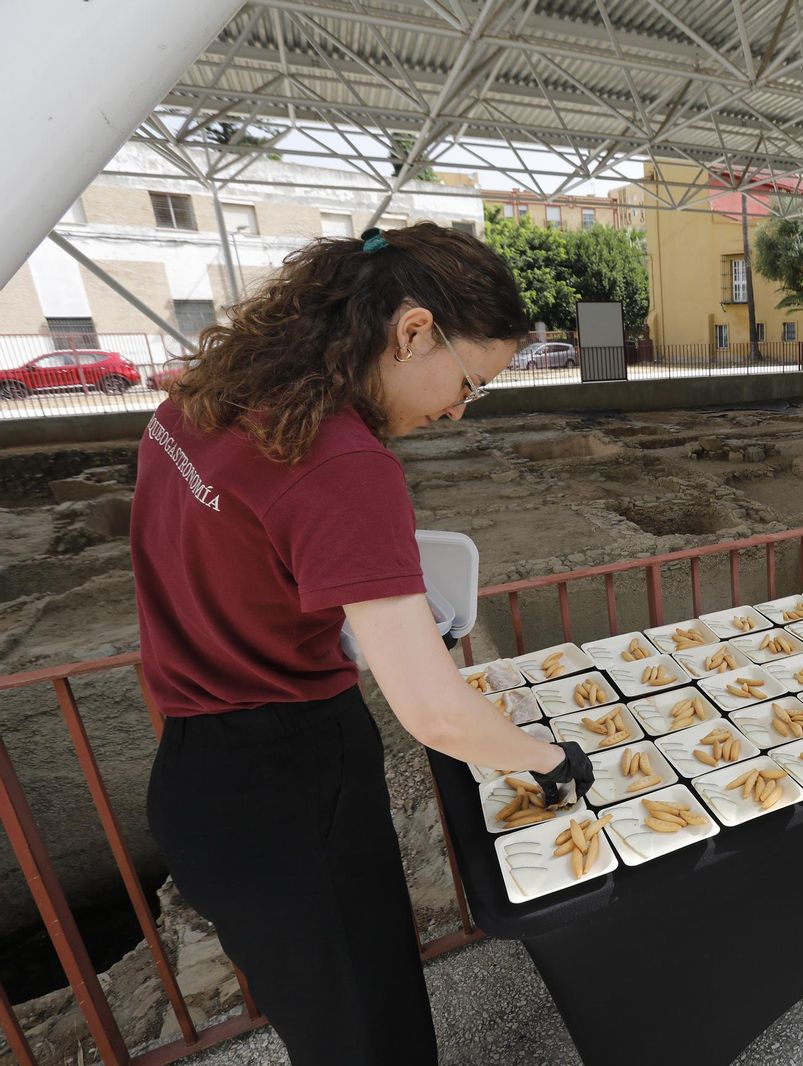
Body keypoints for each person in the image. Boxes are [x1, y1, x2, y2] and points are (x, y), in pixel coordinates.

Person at [132, 223, 594, 1066]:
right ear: (413, 331)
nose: (458, 410)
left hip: (195, 779)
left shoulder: (201, 400)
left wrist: (353, 611)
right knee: (373, 1032)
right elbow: (435, 714)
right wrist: (548, 759)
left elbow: (233, 562)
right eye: (470, 382)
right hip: (291, 782)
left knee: (325, 1025)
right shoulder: (343, 460)